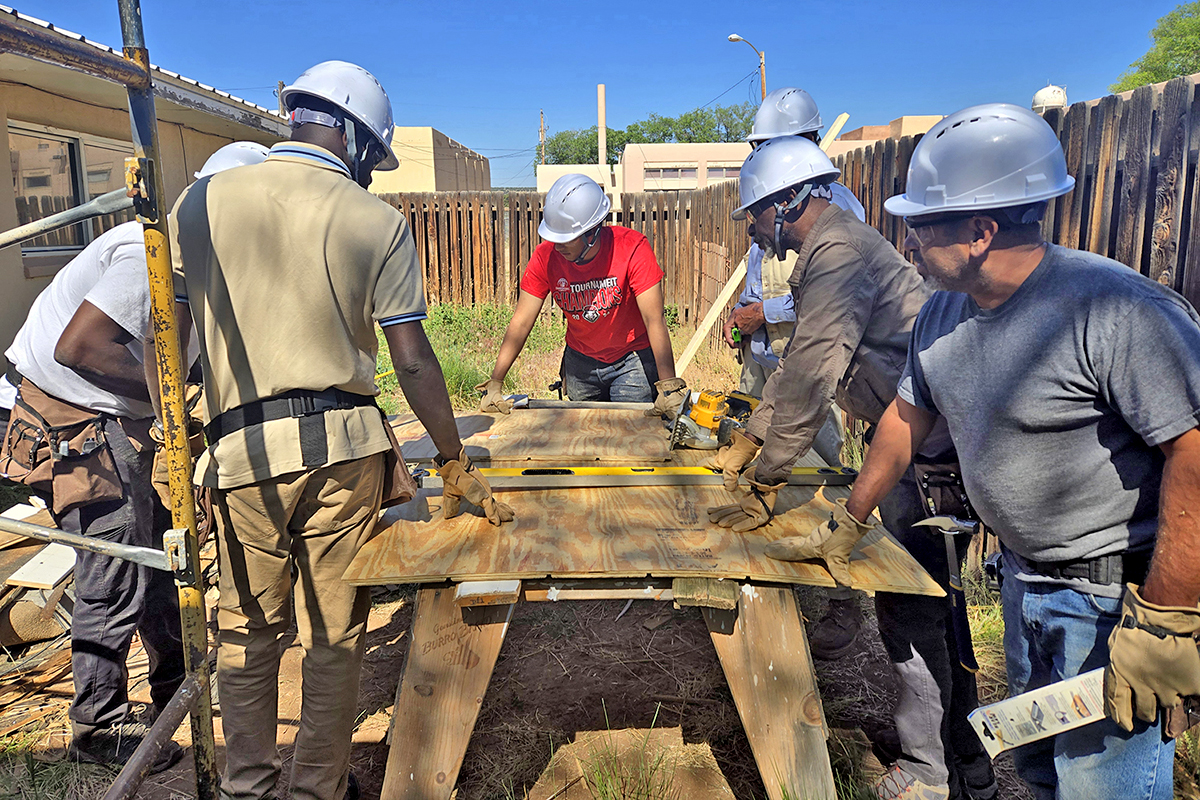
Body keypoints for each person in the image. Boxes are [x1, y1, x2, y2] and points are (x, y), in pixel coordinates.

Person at [774, 102, 1200, 800]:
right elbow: (904, 420)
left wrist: (1168, 620)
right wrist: (849, 520)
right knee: (1037, 773)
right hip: (1022, 583)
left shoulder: (1113, 310)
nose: (906, 241)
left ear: (980, 230)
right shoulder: (943, 313)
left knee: (1101, 787)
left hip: (1111, 601)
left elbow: (1194, 450)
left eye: (921, 224)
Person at [165, 61, 511, 800]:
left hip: (239, 451)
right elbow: (411, 358)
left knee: (248, 632)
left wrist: (179, 436)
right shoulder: (373, 221)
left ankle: (245, 786)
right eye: (373, 159)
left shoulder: (200, 203)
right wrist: (451, 456)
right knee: (331, 635)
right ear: (354, 137)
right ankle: (317, 789)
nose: (374, 175)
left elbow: (173, 338)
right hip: (341, 452)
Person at [704, 135, 995, 800]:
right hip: (915, 448)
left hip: (934, 461)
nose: (750, 225)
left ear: (785, 203)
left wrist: (769, 473)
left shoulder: (837, 252)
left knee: (920, 610)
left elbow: (813, 375)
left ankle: (943, 771)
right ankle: (958, 758)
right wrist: (752, 437)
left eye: (753, 212)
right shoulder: (827, 249)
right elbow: (798, 360)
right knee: (924, 609)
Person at [0, 140, 267, 771]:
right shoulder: (148, 251)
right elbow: (82, 347)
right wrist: (176, 404)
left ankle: (173, 689)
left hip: (121, 414)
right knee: (113, 567)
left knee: (158, 553)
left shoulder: (206, 266)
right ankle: (98, 727)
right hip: (72, 417)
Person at [722, 86, 866, 659]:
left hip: (820, 370)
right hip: (771, 360)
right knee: (763, 470)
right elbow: (764, 271)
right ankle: (763, 586)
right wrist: (747, 318)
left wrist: (769, 312)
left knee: (820, 484)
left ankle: (842, 601)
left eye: (771, 147)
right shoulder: (773, 204)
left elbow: (823, 313)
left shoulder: (839, 216)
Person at [477, 173, 686, 418]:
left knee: (629, 432)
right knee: (584, 433)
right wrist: (495, 382)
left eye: (565, 239)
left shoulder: (632, 248)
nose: (557, 246)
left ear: (592, 232)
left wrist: (669, 387)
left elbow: (654, 320)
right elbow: (521, 322)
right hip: (580, 363)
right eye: (553, 238)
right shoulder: (545, 257)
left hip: (632, 362)